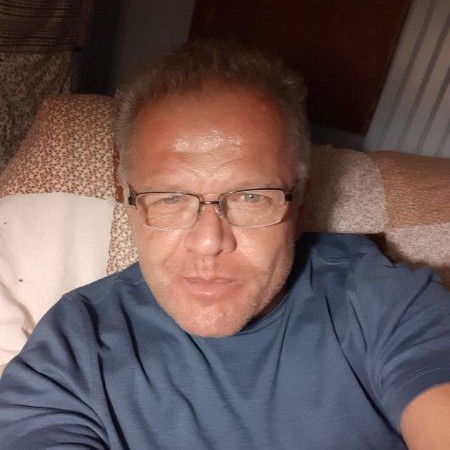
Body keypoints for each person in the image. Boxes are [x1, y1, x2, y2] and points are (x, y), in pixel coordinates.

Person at [0, 40, 450, 450]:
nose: (209, 242)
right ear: (129, 201)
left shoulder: (380, 299)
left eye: (251, 197)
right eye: (170, 198)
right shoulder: (75, 345)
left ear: (300, 202)